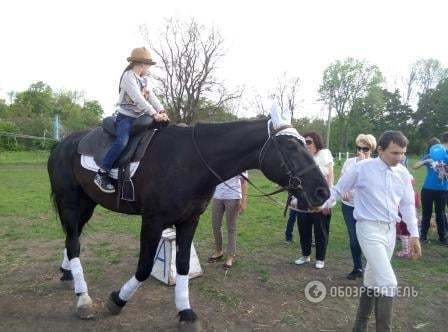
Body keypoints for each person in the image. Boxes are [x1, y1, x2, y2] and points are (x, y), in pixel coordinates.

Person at [321, 130, 422, 331]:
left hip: (389, 232)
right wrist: (322, 203)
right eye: (395, 153)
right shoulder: (362, 168)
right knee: (388, 282)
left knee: (372, 277)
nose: (400, 157)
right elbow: (338, 190)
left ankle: (359, 327)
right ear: (381, 150)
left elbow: (408, 206)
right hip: (368, 228)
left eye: (403, 153)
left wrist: (414, 235)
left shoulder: (403, 173)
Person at [94, 47, 169, 193]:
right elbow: (138, 98)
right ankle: (102, 172)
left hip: (140, 117)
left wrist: (162, 110)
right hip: (126, 118)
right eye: (148, 65)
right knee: (122, 141)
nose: (148, 68)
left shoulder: (144, 80)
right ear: (142, 64)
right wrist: (154, 114)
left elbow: (151, 96)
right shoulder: (128, 77)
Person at [294, 132, 333, 269]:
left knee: (320, 230)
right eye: (304, 142)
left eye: (309, 142)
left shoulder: (324, 155)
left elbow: (330, 179)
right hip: (303, 199)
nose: (307, 145)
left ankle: (320, 258)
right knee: (303, 228)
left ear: (316, 142)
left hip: (320, 199)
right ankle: (305, 255)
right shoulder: (301, 158)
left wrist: (328, 201)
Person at [340, 134, 376, 280]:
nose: (361, 151)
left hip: (367, 208)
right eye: (358, 148)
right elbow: (343, 180)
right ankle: (357, 267)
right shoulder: (349, 162)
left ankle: (372, 268)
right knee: (354, 238)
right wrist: (345, 190)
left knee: (367, 238)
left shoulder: (375, 164)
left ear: (371, 150)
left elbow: (373, 187)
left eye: (365, 149)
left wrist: (363, 164)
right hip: (349, 206)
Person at [208, 172, 248, 269]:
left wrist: (243, 201)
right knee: (215, 225)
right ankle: (219, 251)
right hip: (217, 196)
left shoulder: (240, 160)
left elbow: (244, 182)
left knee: (231, 228)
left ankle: (230, 256)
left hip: (233, 196)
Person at [413, 135, 448, 245]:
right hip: (428, 189)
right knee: (428, 213)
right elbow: (415, 166)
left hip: (442, 189)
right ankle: (423, 237)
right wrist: (426, 161)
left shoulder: (446, 155)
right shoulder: (429, 156)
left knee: (440, 214)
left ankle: (442, 237)